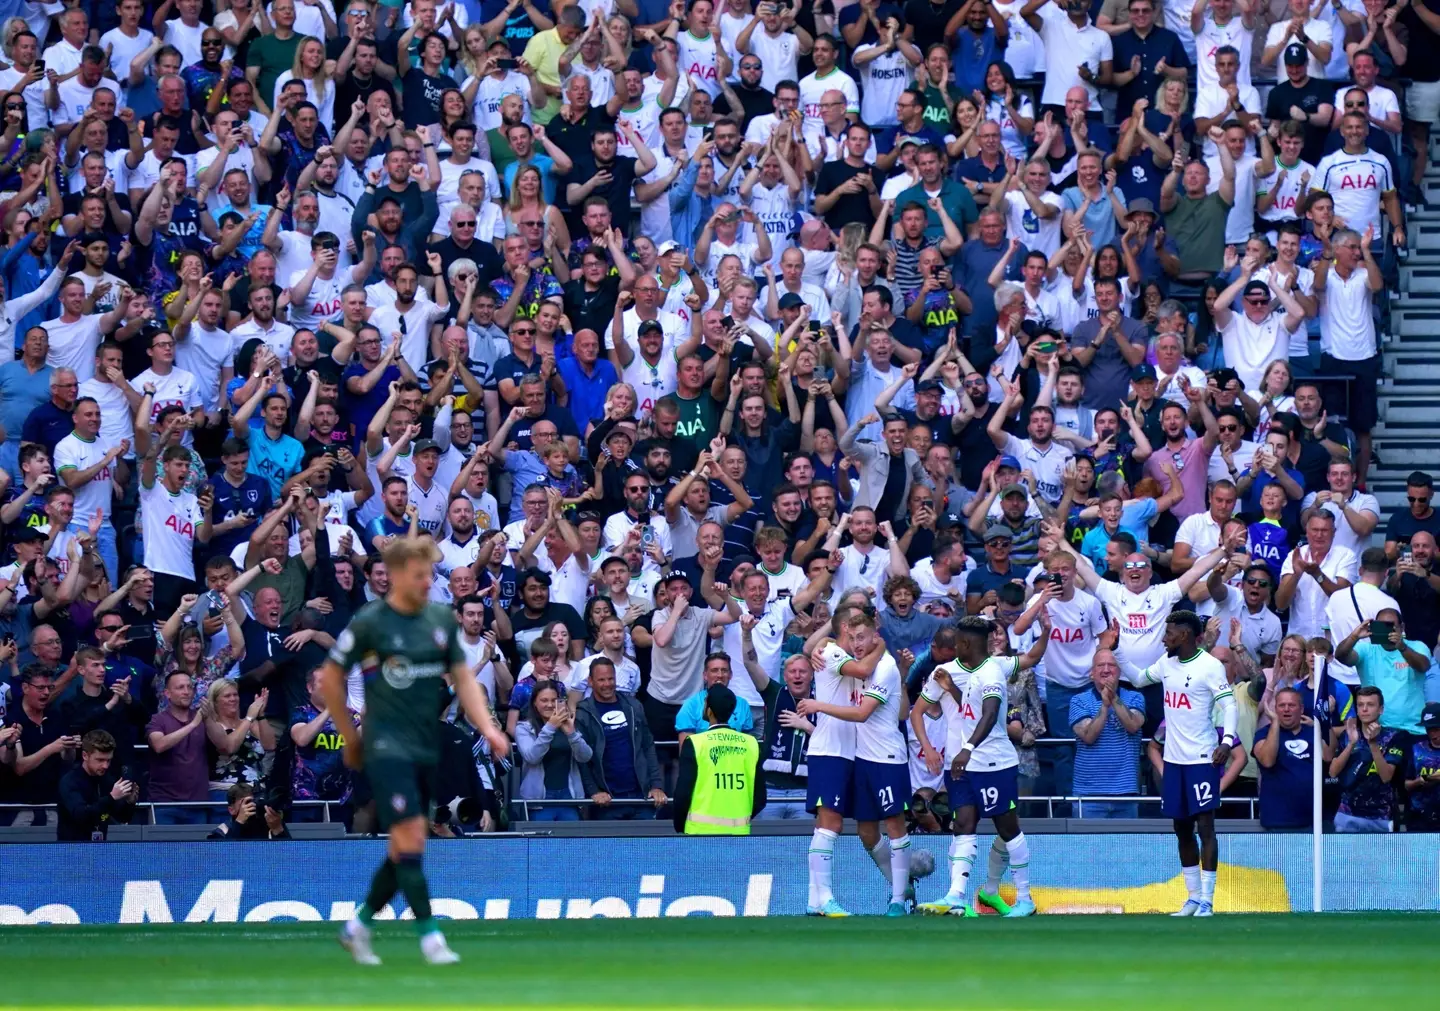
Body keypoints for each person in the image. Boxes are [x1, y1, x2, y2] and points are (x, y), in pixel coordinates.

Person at [326, 537, 510, 966]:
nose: (429, 582)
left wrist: (487, 727)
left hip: (427, 745)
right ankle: (431, 938)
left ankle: (358, 927)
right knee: (409, 834)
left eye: (431, 574)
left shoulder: (439, 620)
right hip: (386, 746)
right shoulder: (370, 622)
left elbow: (462, 678)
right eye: (420, 575)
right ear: (396, 576)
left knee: (407, 845)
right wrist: (351, 738)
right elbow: (332, 677)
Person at [913, 615, 1039, 918]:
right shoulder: (948, 672)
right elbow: (943, 710)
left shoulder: (992, 673)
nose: (953, 646)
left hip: (992, 763)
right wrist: (931, 748)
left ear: (966, 643)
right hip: (960, 766)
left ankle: (1024, 898)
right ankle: (956, 895)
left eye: (957, 641)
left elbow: (989, 712)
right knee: (963, 825)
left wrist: (967, 749)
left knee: (1007, 829)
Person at [798, 613, 915, 915]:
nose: (857, 643)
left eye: (862, 636)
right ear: (844, 633)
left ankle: (898, 896)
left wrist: (892, 661)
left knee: (862, 827)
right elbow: (852, 662)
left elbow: (893, 711)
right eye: (853, 636)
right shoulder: (833, 653)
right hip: (832, 752)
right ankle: (822, 899)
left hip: (870, 756)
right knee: (830, 825)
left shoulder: (878, 664)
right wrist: (877, 644)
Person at [1125, 611, 1236, 916]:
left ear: (1185, 635)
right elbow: (1136, 678)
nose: (1164, 638)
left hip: (1201, 759)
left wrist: (1226, 742)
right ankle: (1192, 897)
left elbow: (1229, 705)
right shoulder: (1166, 664)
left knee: (1206, 827)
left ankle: (1208, 901)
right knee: (1181, 828)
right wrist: (1116, 649)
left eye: (1169, 633)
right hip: (1173, 761)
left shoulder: (1210, 666)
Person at [672, 683, 767, 835]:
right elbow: (760, 797)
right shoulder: (751, 744)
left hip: (698, 832)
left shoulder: (696, 743)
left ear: (709, 710)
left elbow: (683, 793)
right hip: (739, 833)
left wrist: (679, 826)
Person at [1070, 648, 1146, 818]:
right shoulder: (1078, 701)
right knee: (1086, 845)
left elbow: (1133, 725)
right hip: (1088, 795)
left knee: (1127, 845)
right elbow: (1088, 736)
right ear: (1092, 673)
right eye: (1100, 665)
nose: (1106, 670)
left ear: (1119, 671)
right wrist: (1105, 706)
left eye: (1111, 665)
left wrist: (1113, 699)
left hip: (1126, 793)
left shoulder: (1135, 697)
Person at [1252, 687, 1328, 831]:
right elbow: (1267, 761)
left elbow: (1328, 756)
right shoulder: (1263, 733)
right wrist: (1274, 723)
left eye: (1291, 705)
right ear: (1275, 709)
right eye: (1281, 705)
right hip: (1278, 821)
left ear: (1301, 709)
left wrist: (1320, 724)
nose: (1286, 709)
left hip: (1314, 820)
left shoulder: (1313, 732)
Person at [56, 729, 138, 841]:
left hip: (99, 848)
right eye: (100, 760)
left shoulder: (107, 780)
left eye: (108, 760)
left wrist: (129, 802)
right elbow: (81, 815)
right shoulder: (70, 781)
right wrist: (111, 798)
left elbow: (122, 817)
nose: (105, 766)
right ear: (85, 756)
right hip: (72, 849)